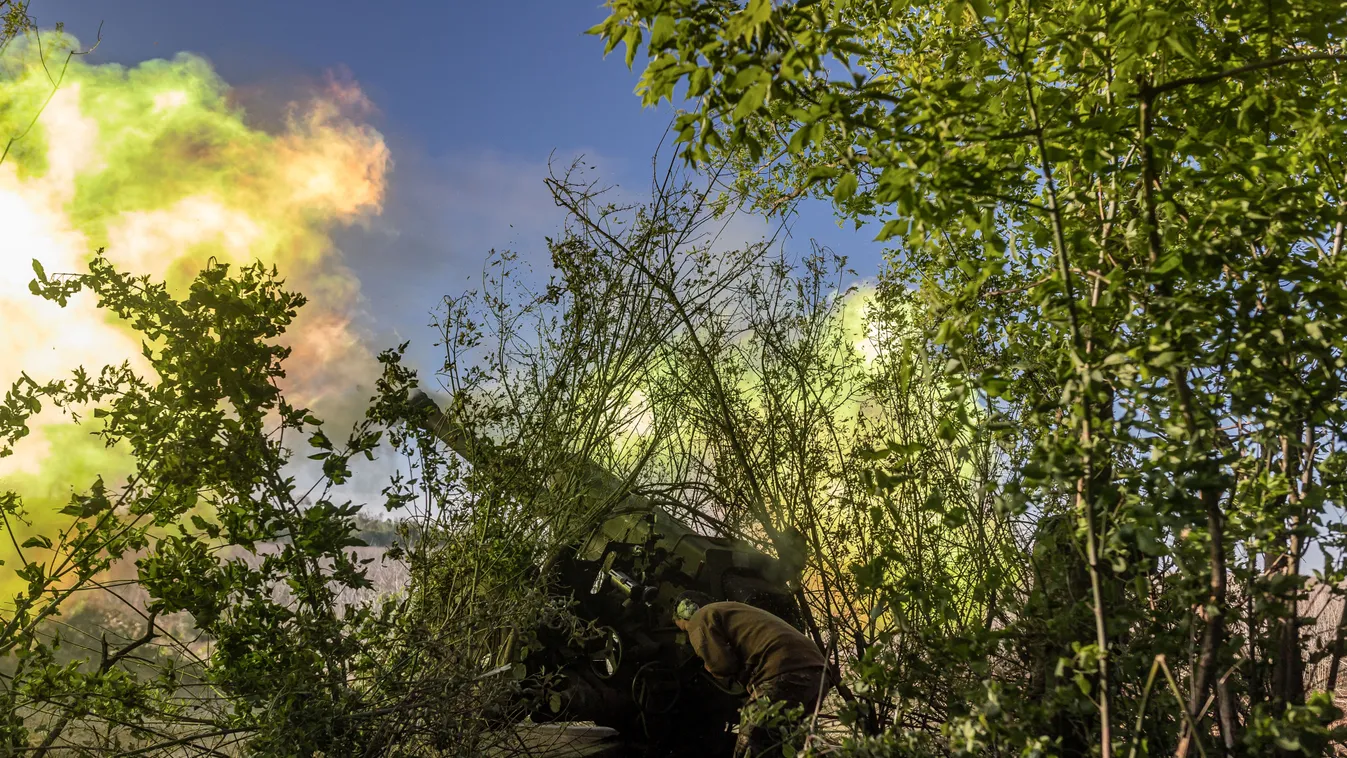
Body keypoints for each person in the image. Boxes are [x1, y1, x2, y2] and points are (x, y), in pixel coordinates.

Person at [672, 591, 830, 757]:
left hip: (783, 671)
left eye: (684, 628)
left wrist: (708, 666)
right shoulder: (731, 609)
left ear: (686, 613)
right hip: (817, 672)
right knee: (792, 746)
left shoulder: (700, 616)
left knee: (750, 743)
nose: (688, 633)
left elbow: (722, 664)